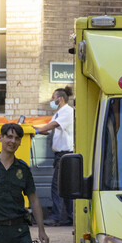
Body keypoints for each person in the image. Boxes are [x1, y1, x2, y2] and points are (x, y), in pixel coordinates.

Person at [33, 86, 74, 226]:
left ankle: (56, 217)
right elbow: (50, 131)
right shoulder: (58, 113)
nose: (51, 100)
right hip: (61, 155)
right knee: (67, 187)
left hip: (65, 154)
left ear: (60, 99)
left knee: (57, 186)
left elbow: (53, 125)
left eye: (53, 97)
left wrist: (38, 131)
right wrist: (33, 129)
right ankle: (70, 216)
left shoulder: (67, 112)